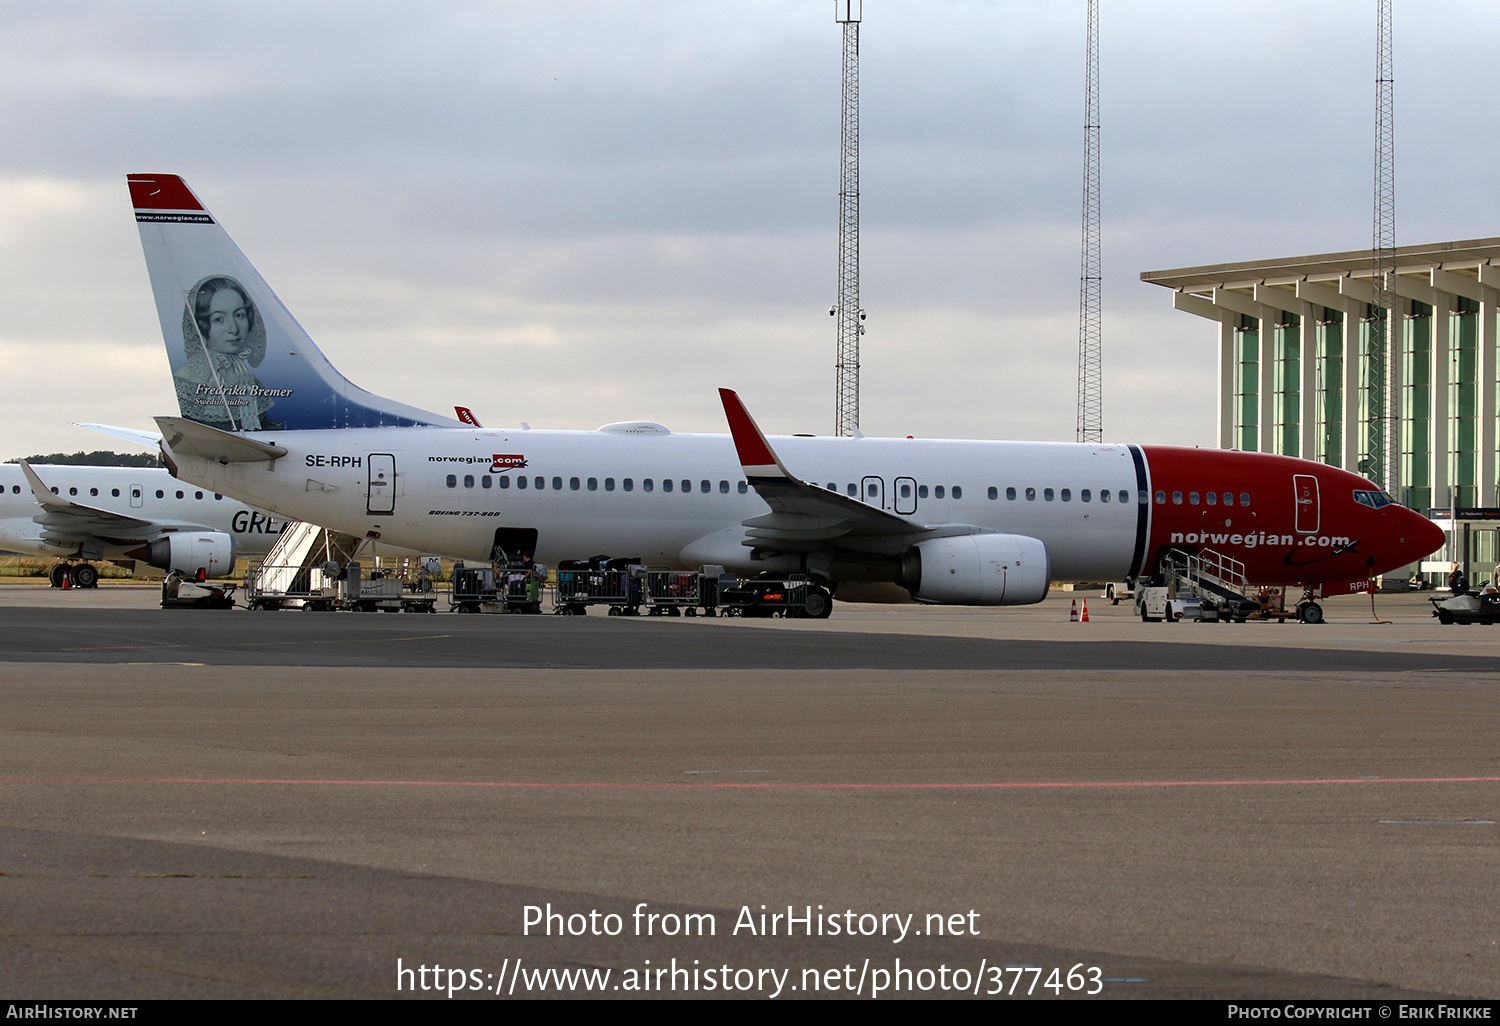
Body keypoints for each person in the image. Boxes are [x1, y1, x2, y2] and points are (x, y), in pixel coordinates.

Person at [172, 275, 280, 430]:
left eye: (239, 315)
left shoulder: (248, 380)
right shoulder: (186, 380)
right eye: (218, 319)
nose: (233, 329)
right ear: (202, 324)